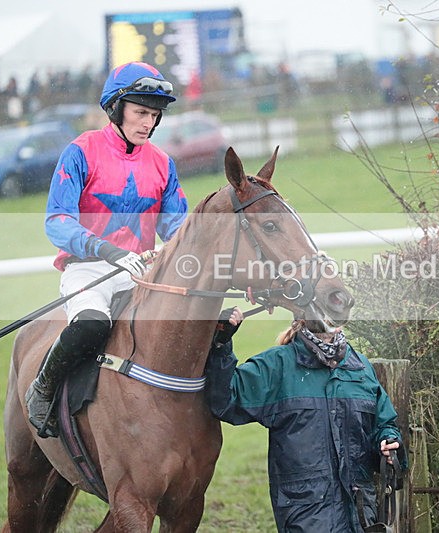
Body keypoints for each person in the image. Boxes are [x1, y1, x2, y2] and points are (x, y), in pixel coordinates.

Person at [26, 61, 188, 438]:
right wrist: (107, 250)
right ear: (116, 109)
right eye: (140, 112)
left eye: (154, 115)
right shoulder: (81, 151)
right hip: (89, 269)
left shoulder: (163, 163)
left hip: (140, 273)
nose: (148, 122)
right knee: (91, 325)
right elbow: (57, 221)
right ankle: (44, 388)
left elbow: (176, 227)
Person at [205, 308, 408, 532]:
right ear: (302, 316)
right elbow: (225, 401)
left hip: (360, 515)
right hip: (306, 516)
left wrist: (389, 445)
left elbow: (384, 424)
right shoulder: (278, 366)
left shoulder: (360, 369)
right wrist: (221, 344)